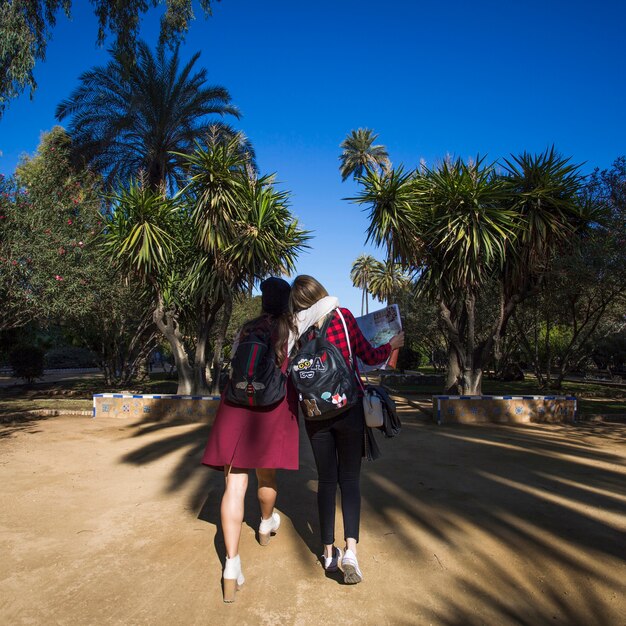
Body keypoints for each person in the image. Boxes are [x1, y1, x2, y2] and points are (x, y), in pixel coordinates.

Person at [201, 277, 338, 603]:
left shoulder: (246, 328)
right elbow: (328, 301)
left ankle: (231, 566)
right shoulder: (291, 325)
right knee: (267, 474)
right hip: (272, 409)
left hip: (235, 407)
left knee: (233, 486)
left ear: (263, 300)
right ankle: (265, 524)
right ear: (287, 300)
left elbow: (234, 365)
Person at [289, 275, 405, 585]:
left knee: (326, 480)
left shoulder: (296, 332)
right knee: (349, 480)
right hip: (349, 406)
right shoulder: (342, 316)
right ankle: (350, 550)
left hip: (315, 415)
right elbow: (368, 356)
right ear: (321, 293)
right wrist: (391, 345)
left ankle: (328, 553)